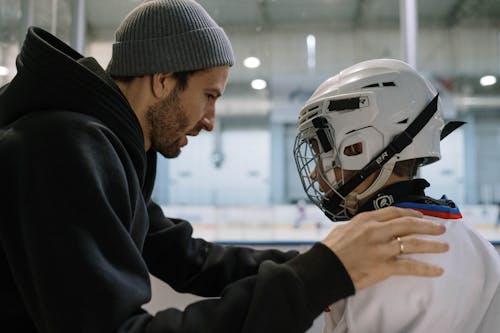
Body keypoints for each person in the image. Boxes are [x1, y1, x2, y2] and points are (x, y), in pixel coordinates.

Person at [0, 1, 449, 332]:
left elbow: (189, 259)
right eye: (209, 96)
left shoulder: (105, 148)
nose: (210, 121)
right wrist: (317, 278)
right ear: (163, 81)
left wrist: (319, 262)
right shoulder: (62, 148)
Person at [293, 58, 500, 333]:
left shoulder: (372, 261)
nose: (314, 173)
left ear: (357, 148)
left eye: (320, 151)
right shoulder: (481, 248)